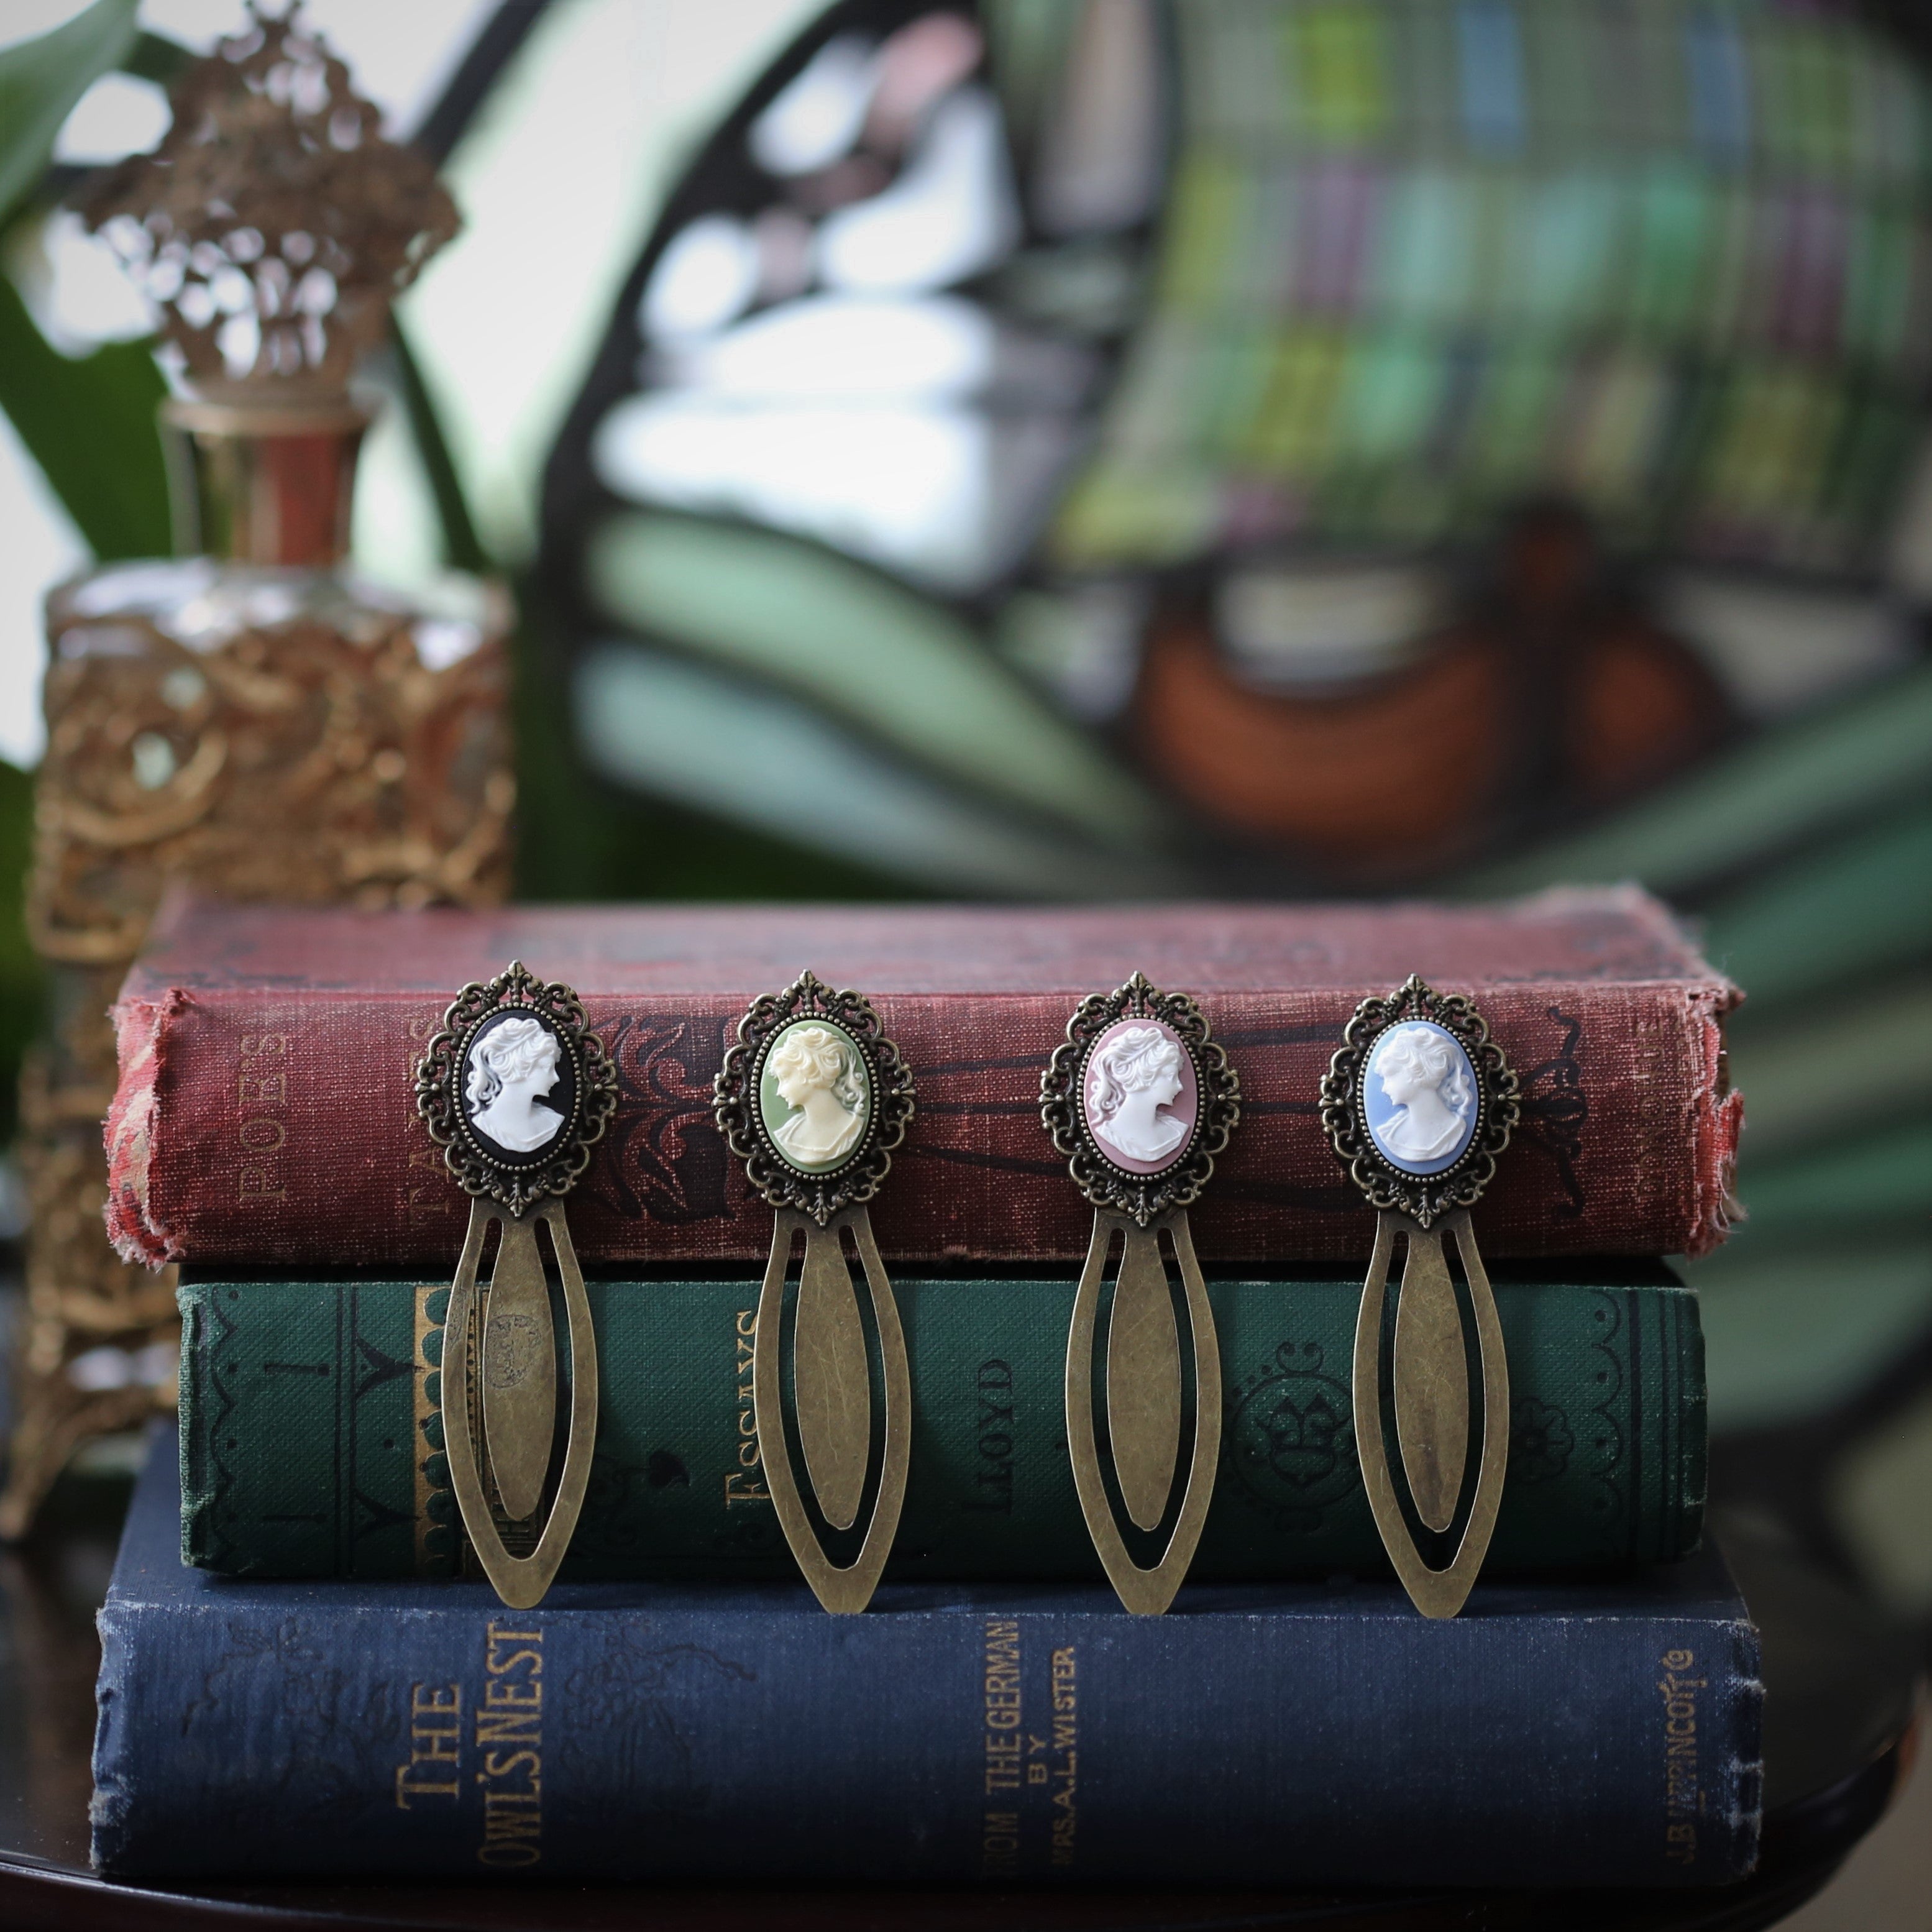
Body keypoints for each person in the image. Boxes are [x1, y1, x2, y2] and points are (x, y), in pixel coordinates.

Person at [1371, 1023, 1472, 1166]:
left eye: (1390, 1076)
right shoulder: (1388, 1132)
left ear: (1417, 1071)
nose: (1384, 1088)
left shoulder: (1456, 1130)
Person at [1086, 1024, 1189, 1165]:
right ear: (1143, 1075)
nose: (1180, 1086)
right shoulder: (1109, 1136)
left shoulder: (1177, 1130)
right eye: (1170, 1076)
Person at [768, 1023, 867, 1167]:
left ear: (811, 1070)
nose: (779, 1091)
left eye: (785, 1077)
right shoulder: (786, 1134)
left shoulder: (853, 1130)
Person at [465, 1015, 565, 1153]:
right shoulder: (484, 1126)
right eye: (546, 1067)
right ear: (519, 1066)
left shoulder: (553, 1121)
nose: (556, 1078)